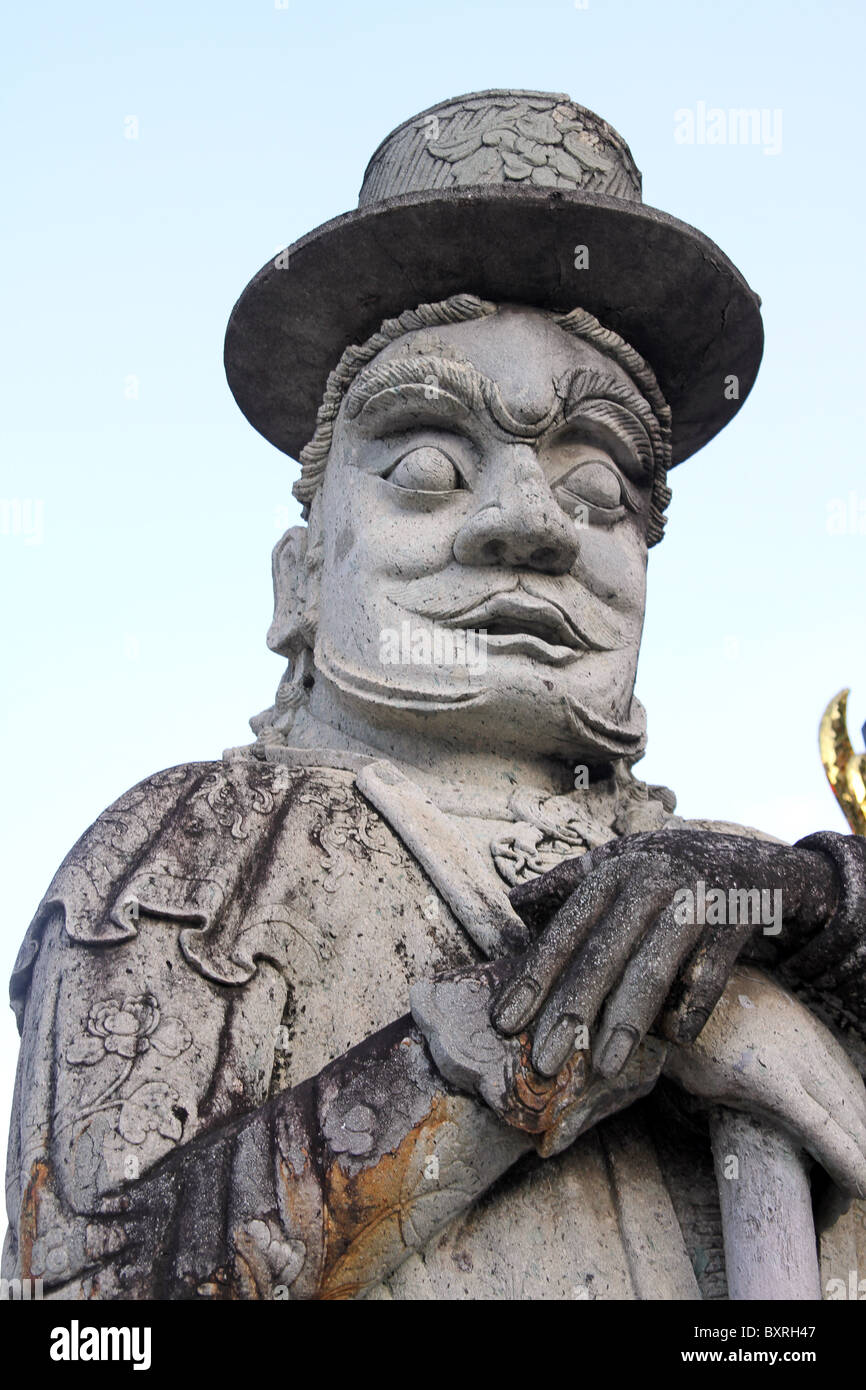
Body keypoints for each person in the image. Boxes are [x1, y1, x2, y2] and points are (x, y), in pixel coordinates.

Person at [5, 90, 866, 1300]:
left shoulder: (733, 885)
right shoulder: (194, 858)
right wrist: (543, 1034)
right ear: (300, 575)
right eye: (427, 465)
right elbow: (85, 1309)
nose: (529, 526)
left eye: (600, 491)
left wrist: (819, 906)